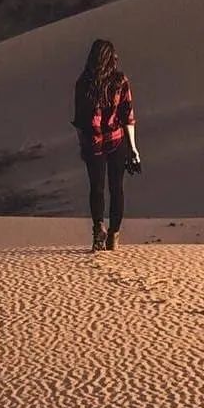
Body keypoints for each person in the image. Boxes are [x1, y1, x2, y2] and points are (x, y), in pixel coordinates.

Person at [72, 39, 141, 251]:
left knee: (97, 189)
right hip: (116, 140)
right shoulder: (120, 81)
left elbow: (80, 121)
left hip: (93, 144)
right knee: (116, 188)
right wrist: (133, 148)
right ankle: (114, 236)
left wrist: (83, 145)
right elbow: (128, 116)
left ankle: (97, 229)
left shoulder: (83, 83)